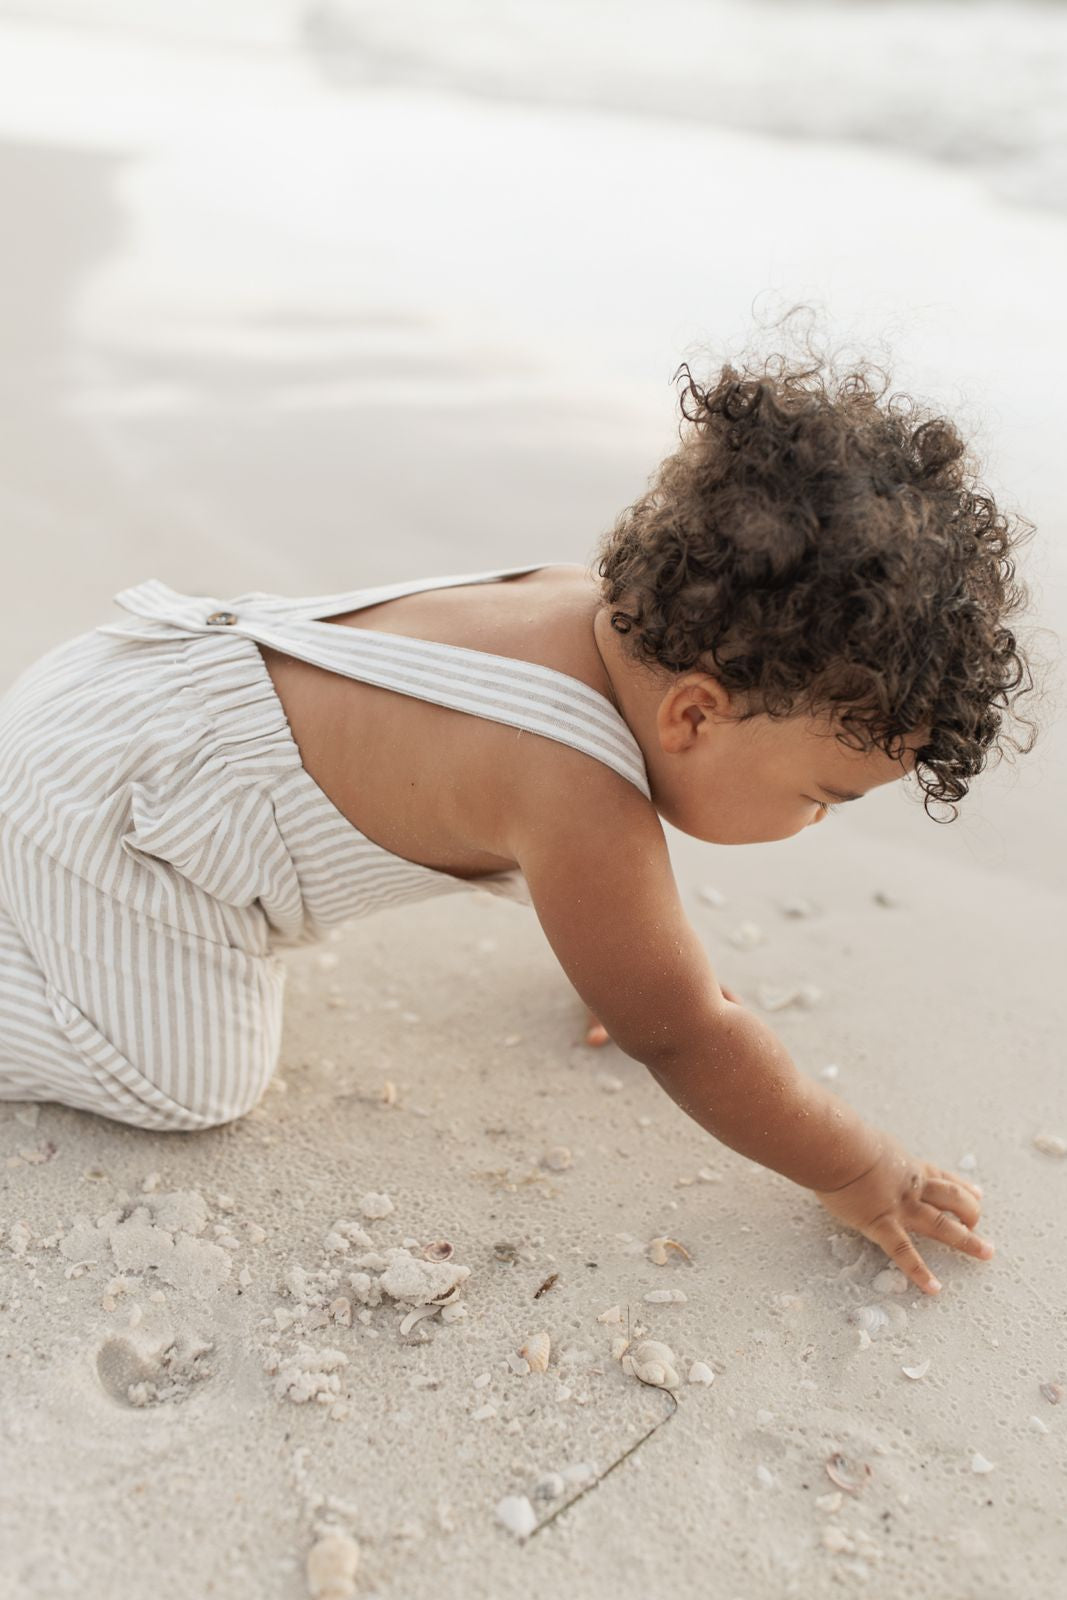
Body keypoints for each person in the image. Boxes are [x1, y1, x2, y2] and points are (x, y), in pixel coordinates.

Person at [0, 350, 1035, 1296]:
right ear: (692, 713)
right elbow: (681, 1034)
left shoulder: (576, 602)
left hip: (115, 687)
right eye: (820, 793)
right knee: (197, 1077)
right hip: (121, 828)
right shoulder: (571, 787)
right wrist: (857, 1166)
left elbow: (626, 934)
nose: (812, 823)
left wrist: (629, 956)